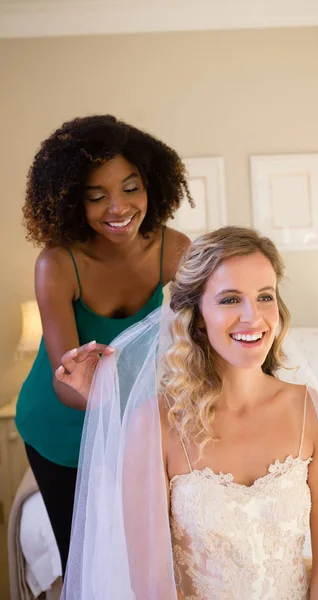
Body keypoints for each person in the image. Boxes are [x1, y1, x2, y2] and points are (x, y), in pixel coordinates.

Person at [58, 227, 318, 599]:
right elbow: (151, 582)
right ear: (198, 315)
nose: (253, 317)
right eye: (231, 299)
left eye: (265, 296)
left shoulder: (314, 411)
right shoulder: (153, 423)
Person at [15, 114, 192, 575]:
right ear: (73, 202)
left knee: (144, 557)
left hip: (134, 420)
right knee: (85, 560)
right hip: (61, 426)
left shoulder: (173, 250)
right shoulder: (57, 264)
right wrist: (88, 382)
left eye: (131, 188)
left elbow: (212, 320)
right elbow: (66, 385)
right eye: (97, 196)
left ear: (151, 184)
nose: (118, 207)